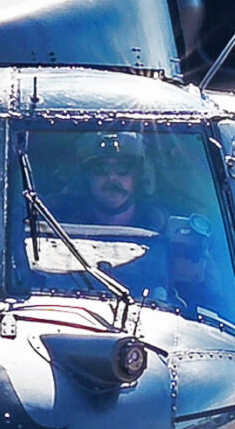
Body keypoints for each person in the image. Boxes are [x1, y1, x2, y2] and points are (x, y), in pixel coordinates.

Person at [43, 130, 213, 307]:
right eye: (100, 170)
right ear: (86, 178)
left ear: (140, 176)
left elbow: (208, 302)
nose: (112, 178)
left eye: (123, 169)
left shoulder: (168, 231)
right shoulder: (55, 225)